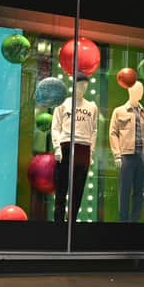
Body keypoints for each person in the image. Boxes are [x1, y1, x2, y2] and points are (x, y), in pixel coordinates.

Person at [51, 72, 98, 223]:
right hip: (66, 145)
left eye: (85, 85)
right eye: (80, 85)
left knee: (78, 190)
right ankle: (58, 222)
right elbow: (55, 127)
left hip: (83, 148)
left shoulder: (92, 106)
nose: (83, 88)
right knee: (61, 187)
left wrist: (91, 152)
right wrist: (57, 147)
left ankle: (72, 221)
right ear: (74, 85)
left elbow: (94, 130)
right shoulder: (63, 104)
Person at [109, 81, 144, 222]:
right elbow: (113, 133)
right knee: (124, 190)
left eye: (141, 90)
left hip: (143, 157)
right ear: (129, 91)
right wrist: (117, 155)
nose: (139, 93)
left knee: (139, 191)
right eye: (136, 90)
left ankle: (135, 221)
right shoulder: (119, 111)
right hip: (127, 156)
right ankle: (123, 221)